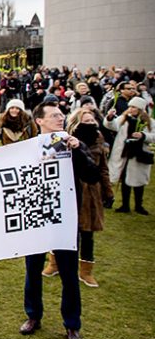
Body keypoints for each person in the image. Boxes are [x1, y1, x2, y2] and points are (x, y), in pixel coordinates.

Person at [20, 102, 100, 339]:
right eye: (54, 116)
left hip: (64, 217)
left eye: (61, 116)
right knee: (33, 269)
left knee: (68, 272)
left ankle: (72, 324)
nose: (60, 119)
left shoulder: (71, 144)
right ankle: (33, 315)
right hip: (35, 216)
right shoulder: (28, 146)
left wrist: (77, 150)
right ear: (39, 121)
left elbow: (92, 175)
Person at [65, 108, 113, 287]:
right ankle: (55, 263)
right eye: (86, 120)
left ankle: (86, 271)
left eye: (93, 121)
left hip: (91, 191)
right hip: (71, 188)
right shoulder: (66, 138)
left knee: (87, 232)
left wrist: (108, 190)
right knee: (65, 229)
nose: (91, 124)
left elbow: (103, 168)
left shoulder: (99, 139)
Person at [104, 96, 153, 215]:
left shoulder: (149, 122)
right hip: (124, 152)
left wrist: (143, 135)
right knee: (125, 179)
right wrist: (110, 118)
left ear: (140, 108)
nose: (131, 109)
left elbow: (153, 135)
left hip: (139, 153)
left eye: (134, 107)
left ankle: (138, 206)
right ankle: (125, 205)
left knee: (138, 180)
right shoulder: (124, 118)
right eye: (130, 106)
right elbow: (112, 125)